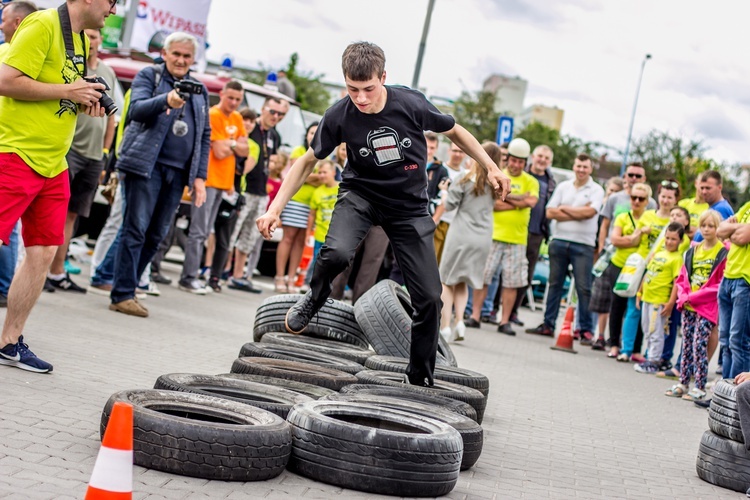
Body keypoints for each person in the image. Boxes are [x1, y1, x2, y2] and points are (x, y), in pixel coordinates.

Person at [256, 42, 510, 387]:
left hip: (408, 208)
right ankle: (315, 297)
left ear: (384, 78)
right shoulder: (339, 114)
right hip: (361, 197)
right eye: (352, 89)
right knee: (338, 253)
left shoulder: (410, 103)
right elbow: (305, 162)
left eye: (368, 89)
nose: (360, 98)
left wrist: (491, 167)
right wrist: (275, 208)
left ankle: (419, 377)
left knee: (430, 298)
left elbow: (456, 132)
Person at [0, 0, 115, 373]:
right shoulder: (42, 24)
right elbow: (6, 81)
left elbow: (62, 92)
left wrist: (83, 101)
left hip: (54, 163)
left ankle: (9, 342)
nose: (113, 9)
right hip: (16, 152)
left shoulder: (79, 38)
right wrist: (68, 91)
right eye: (112, 1)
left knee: (44, 252)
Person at [109, 32, 210, 317]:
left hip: (178, 174)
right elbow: (135, 111)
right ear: (164, 54)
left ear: (193, 59)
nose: (180, 60)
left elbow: (204, 135)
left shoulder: (199, 89)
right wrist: (167, 100)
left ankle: (129, 289)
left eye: (186, 56)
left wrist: (199, 176)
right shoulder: (149, 76)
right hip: (145, 166)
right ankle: (122, 293)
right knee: (136, 229)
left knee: (156, 235)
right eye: (176, 54)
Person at [46, 28, 116, 294]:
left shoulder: (107, 71)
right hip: (70, 150)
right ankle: (41, 271)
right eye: (87, 36)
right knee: (55, 210)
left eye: (96, 36)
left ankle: (57, 272)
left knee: (73, 215)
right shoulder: (72, 64)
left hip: (94, 156)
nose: (92, 41)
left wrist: (106, 151)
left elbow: (112, 116)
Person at [178, 80, 248, 294]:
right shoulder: (214, 114)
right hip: (207, 180)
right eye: (231, 98)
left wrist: (231, 145)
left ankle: (193, 276)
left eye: (238, 99)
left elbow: (246, 150)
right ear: (222, 94)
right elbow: (218, 151)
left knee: (207, 231)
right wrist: (235, 144)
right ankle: (188, 277)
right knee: (198, 231)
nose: (234, 103)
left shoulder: (236, 118)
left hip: (224, 184)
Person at [526, 153, 604, 340]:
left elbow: (590, 212)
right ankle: (548, 323)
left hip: (584, 245)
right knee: (554, 284)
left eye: (585, 167)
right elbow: (550, 212)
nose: (581, 170)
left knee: (584, 287)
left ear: (590, 169)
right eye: (578, 166)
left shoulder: (597, 190)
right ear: (574, 166)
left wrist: (564, 209)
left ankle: (584, 329)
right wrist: (577, 211)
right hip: (559, 240)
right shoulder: (563, 186)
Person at [468, 138, 537, 336]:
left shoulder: (531, 181)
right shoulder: (498, 174)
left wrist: (506, 197)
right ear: (508, 160)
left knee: (511, 282)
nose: (516, 165)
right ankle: (475, 316)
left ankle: (504, 321)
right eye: (513, 160)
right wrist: (519, 199)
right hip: (493, 235)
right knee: (484, 277)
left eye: (520, 162)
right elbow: (493, 203)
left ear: (525, 163)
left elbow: (531, 202)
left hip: (517, 239)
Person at [438, 142, 501, 342]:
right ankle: (460, 323)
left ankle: (446, 326)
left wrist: (444, 192)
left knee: (447, 280)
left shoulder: (463, 180)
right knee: (464, 281)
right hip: (482, 238)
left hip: (461, 234)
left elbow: (449, 205)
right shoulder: (496, 183)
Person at [666, 211, 727, 400]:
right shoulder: (692, 250)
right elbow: (683, 278)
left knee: (699, 345)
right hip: (689, 305)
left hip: (706, 307)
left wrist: (695, 295)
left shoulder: (723, 252)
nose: (707, 229)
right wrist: (684, 296)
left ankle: (699, 386)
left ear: (718, 228)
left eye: (711, 226)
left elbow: (719, 283)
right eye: (704, 225)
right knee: (686, 344)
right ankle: (683, 382)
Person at [229, 97, 287, 293]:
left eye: (281, 114)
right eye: (273, 112)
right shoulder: (250, 128)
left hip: (262, 191)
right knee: (232, 232)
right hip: (244, 189)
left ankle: (238, 276)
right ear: (263, 109)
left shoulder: (275, 135)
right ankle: (221, 271)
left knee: (250, 235)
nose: (276, 117)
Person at [0, 0, 37, 308]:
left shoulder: (12, 55)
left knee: (8, 228)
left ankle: (2, 284)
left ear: (17, 23)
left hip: (13, 150)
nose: (1, 25)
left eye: (4, 19)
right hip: (14, 150)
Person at [589, 183, 652, 360]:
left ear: (647, 201)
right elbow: (615, 239)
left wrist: (631, 239)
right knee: (617, 305)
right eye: (633, 197)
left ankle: (635, 349)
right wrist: (635, 237)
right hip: (620, 265)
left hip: (640, 268)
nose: (636, 201)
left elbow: (645, 243)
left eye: (641, 198)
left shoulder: (650, 218)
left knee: (637, 307)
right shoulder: (623, 217)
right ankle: (614, 344)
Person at [510, 144, 556, 327]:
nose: (542, 160)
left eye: (546, 157)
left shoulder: (550, 182)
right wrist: (522, 199)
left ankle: (514, 311)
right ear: (532, 157)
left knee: (526, 275)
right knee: (507, 271)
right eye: (539, 156)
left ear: (550, 162)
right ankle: (495, 308)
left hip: (536, 233)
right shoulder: (522, 174)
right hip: (516, 229)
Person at [633, 222, 685, 374]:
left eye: (673, 239)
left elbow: (677, 282)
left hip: (659, 301)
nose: (669, 242)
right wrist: (639, 293)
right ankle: (649, 356)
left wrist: (670, 303)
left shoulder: (677, 259)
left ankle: (654, 361)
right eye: (667, 238)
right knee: (646, 329)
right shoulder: (659, 254)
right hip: (647, 298)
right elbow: (648, 273)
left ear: (680, 241)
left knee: (656, 331)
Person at [716, 199, 750, 379]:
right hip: (728, 277)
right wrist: (733, 231)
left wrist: (732, 231)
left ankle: (737, 399)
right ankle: (724, 394)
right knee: (726, 341)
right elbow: (720, 230)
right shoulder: (747, 205)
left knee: (739, 342)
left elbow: (741, 237)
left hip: (746, 281)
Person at [432, 141, 466, 264]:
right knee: (431, 261)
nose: (457, 154)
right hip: (437, 222)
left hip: (455, 225)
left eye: (461, 151)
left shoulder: (465, 175)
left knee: (446, 264)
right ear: (449, 151)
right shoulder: (439, 169)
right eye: (455, 150)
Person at [306, 160, 339, 276]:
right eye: (319, 173)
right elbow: (312, 215)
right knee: (317, 259)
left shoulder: (342, 189)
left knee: (336, 261)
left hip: (337, 234)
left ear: (333, 172)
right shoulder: (317, 192)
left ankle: (342, 287)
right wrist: (308, 233)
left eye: (325, 172)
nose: (321, 175)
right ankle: (310, 282)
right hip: (320, 234)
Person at [694, 170, 734, 242]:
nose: (704, 192)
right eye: (702, 188)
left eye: (708, 188)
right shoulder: (714, 207)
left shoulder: (721, 209)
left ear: (719, 187)